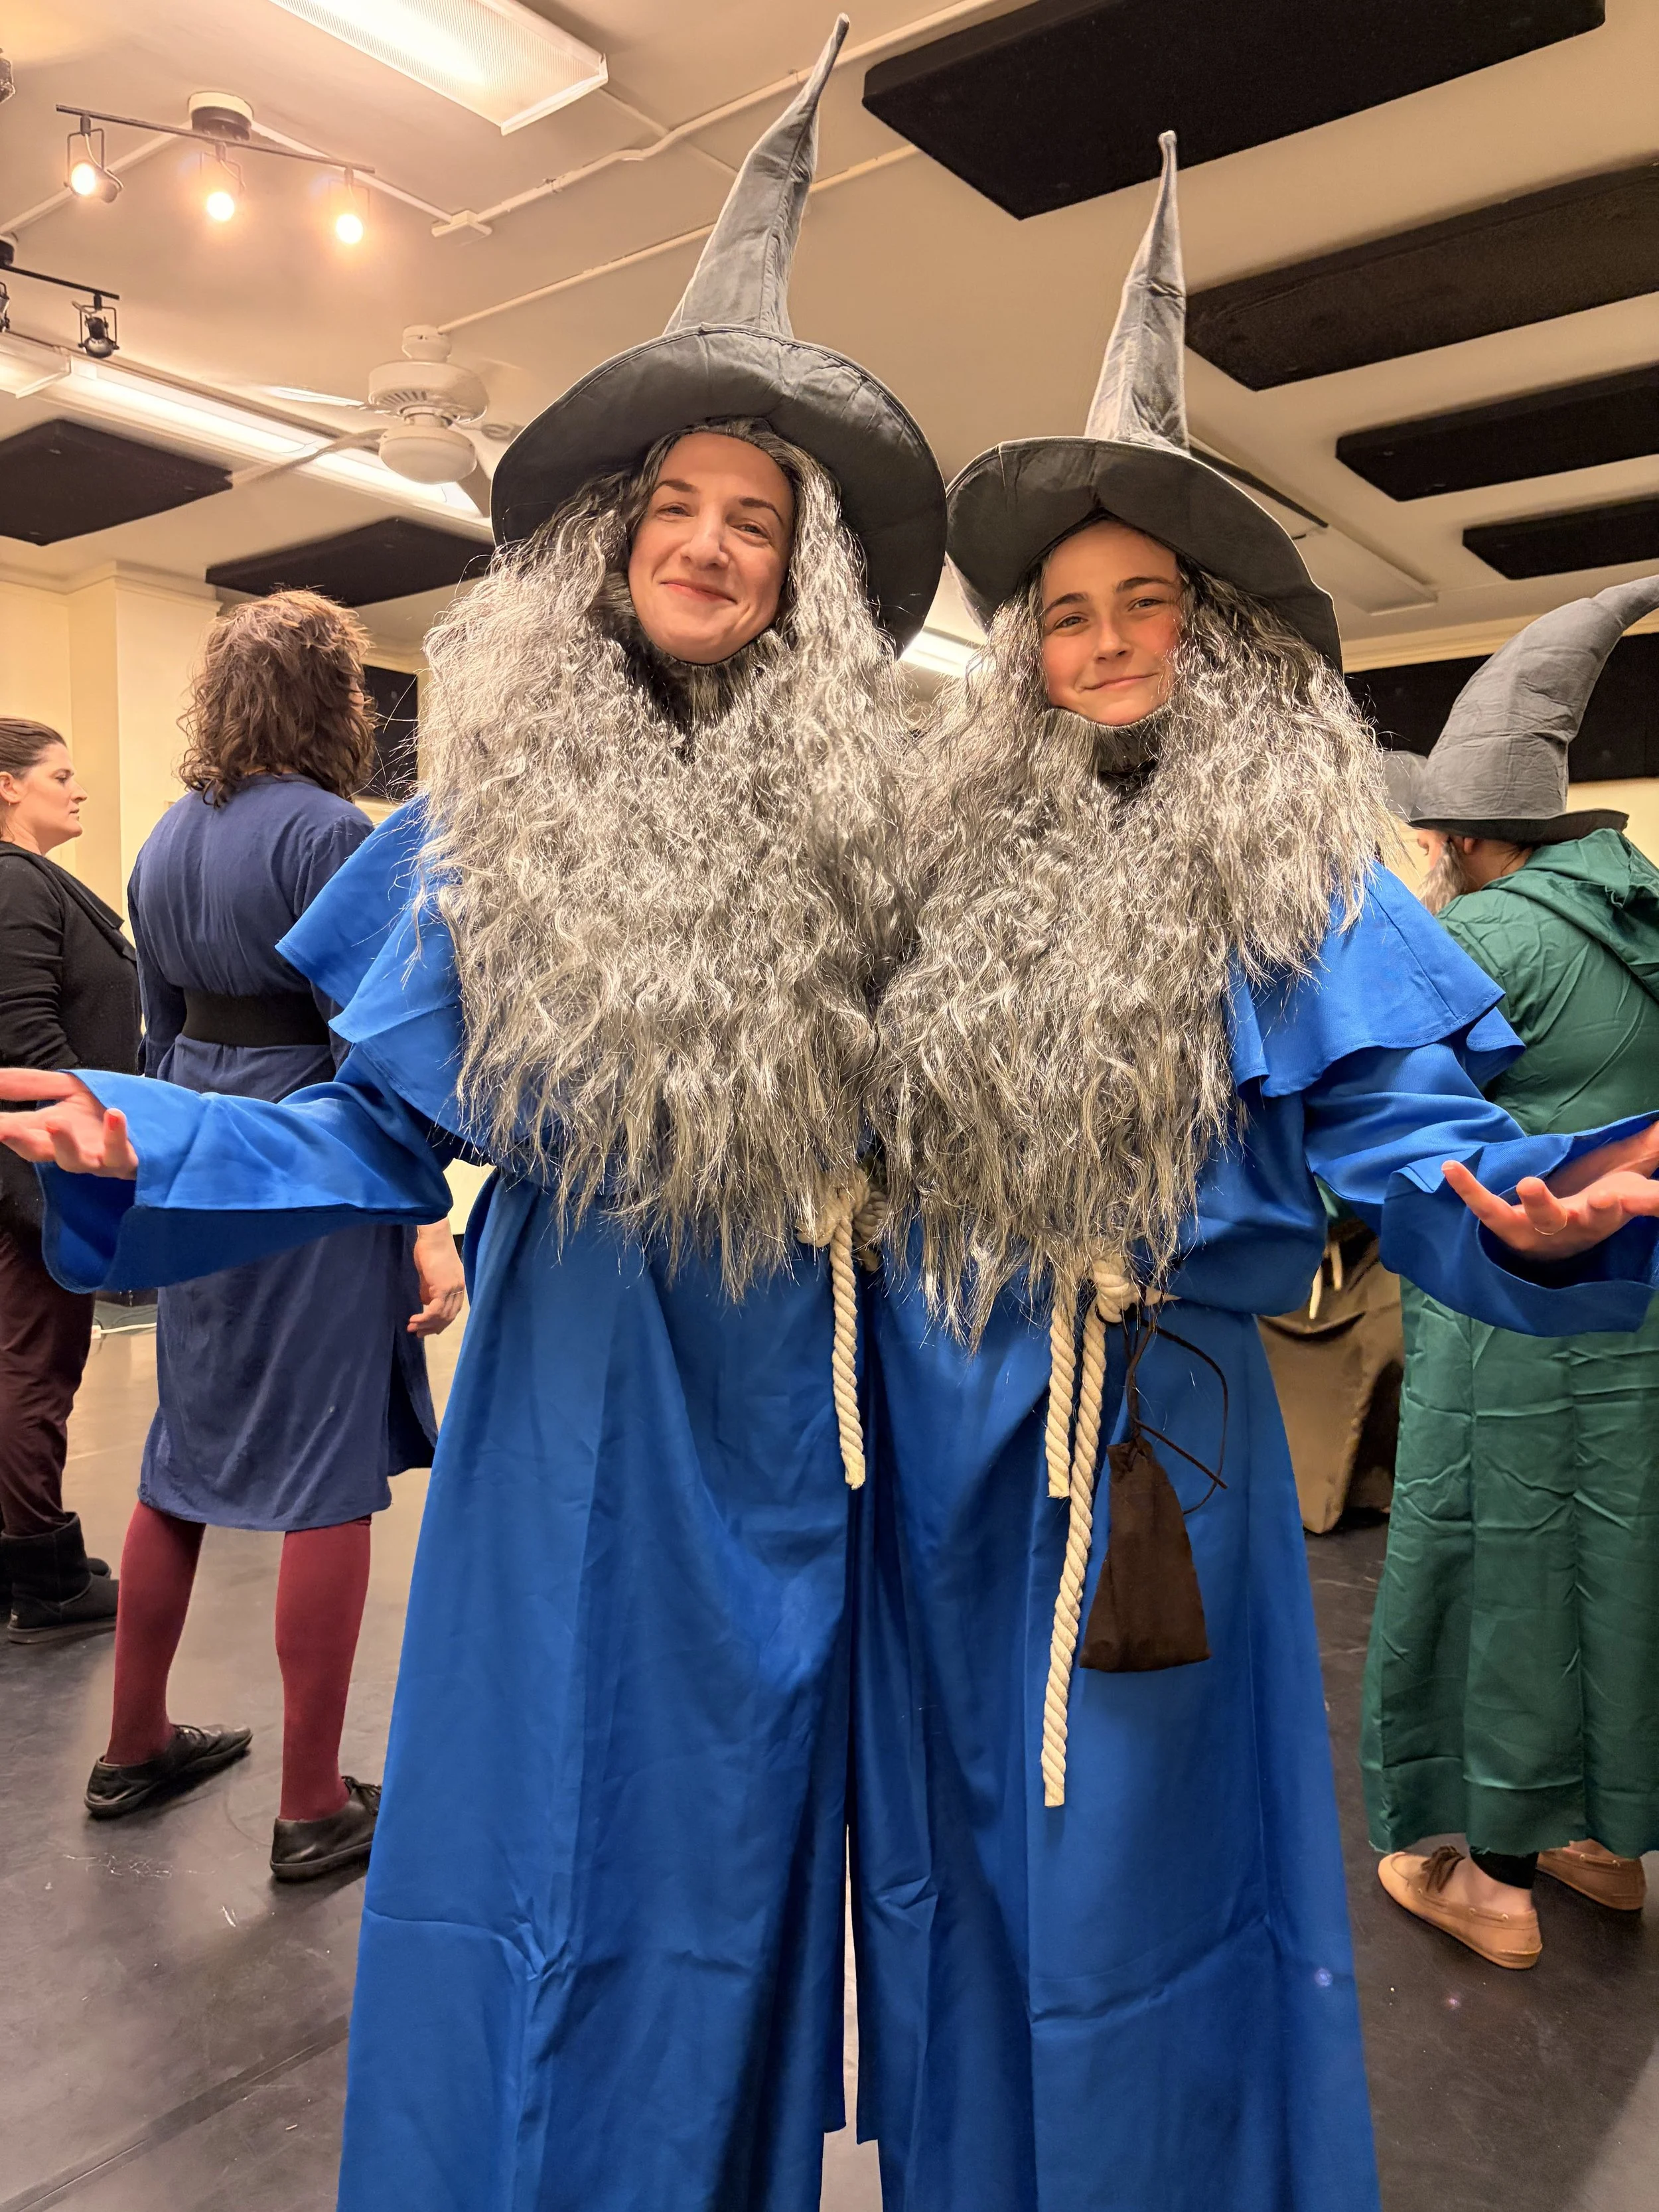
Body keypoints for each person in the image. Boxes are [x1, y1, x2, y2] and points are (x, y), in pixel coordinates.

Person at [0, 22, 945, 2208]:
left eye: (757, 522)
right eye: (676, 509)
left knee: (736, 1838)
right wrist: (161, 1133)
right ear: (604, 545)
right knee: (538, 1824)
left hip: (804, 1424)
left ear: (800, 581)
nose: (713, 546)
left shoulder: (873, 844)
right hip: (580, 1407)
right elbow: (364, 1132)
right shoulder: (487, 832)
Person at [856, 135, 1659, 2211]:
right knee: (955, 1845)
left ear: (1209, 638)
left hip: (1156, 1451)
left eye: (1145, 608)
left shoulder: (1296, 883)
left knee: (1132, 1880)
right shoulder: (943, 864)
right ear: (1024, 645)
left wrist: (1522, 1200)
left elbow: (1407, 1124)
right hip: (941, 1435)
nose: (1104, 642)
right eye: (1067, 614)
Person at [78, 592, 465, 1883]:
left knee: (179, 1460)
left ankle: (132, 1743)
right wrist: (421, 1223)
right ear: (334, 702)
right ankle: (311, 1801)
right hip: (308, 1159)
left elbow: (155, 1028)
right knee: (324, 1469)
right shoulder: (335, 836)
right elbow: (384, 1046)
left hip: (194, 1148)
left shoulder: (164, 838)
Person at [1365, 577, 1659, 1965]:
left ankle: (1483, 1874)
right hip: (1631, 1313)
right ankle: (1599, 1836)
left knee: (1492, 1573)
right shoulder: (1638, 919)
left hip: (1506, 1314)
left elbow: (1374, 1125)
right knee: (1618, 1558)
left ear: (1461, 836)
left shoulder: (1479, 936)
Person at [0, 719, 136, 1643]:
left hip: (39, 1163)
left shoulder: (28, 882)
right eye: (61, 774)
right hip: (39, 1171)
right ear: (7, 786)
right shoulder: (16, 883)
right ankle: (43, 1572)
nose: (77, 789)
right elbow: (25, 1040)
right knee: (33, 1369)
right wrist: (82, 1157)